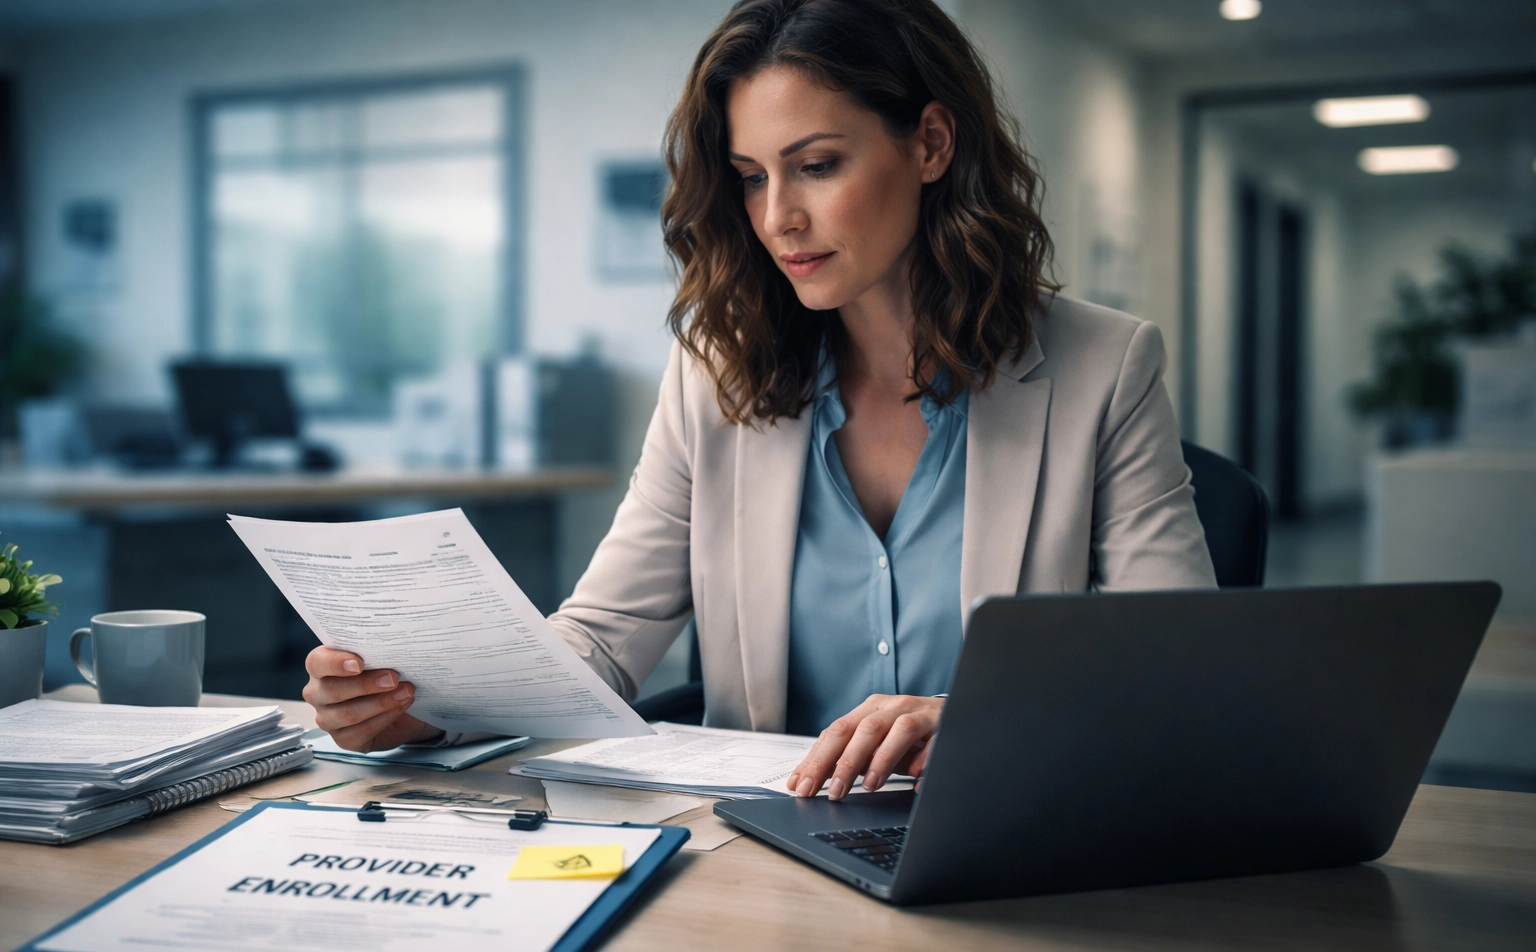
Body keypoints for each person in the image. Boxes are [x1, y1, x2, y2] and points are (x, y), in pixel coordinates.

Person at [302, 0, 1216, 801]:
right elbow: (605, 638)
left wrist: (978, 716)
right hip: (767, 846)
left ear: (931, 144)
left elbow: (1178, 667)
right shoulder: (717, 372)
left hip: (1007, 828)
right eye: (750, 176)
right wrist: (421, 709)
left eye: (816, 165)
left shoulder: (1105, 366)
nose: (777, 215)